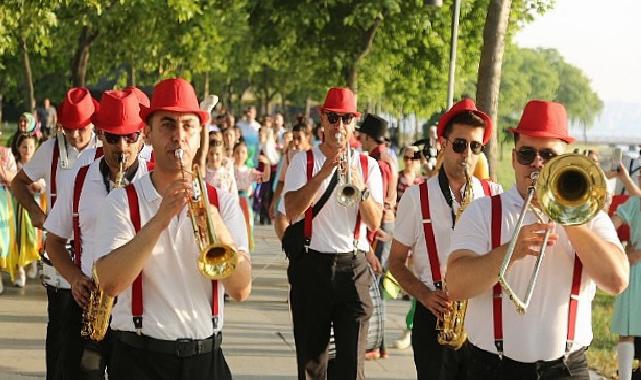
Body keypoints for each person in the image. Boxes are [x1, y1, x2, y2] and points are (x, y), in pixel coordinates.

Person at [446, 100, 629, 379]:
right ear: (513, 158)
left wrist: (569, 216)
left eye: (548, 155)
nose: (536, 163)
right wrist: (510, 251)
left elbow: (617, 281)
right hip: (492, 367)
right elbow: (456, 285)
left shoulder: (589, 216)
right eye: (526, 154)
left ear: (564, 160)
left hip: (566, 368)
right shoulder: (482, 211)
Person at [93, 78, 251, 380]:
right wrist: (160, 219)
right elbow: (110, 283)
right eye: (167, 125)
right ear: (148, 133)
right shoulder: (122, 201)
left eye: (188, 126)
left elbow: (241, 289)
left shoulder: (224, 204)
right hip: (140, 360)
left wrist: (214, 220)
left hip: (206, 360)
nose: (178, 137)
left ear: (199, 135)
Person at [388, 99, 502, 380]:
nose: (467, 155)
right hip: (436, 317)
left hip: (482, 318)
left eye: (475, 147)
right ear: (443, 143)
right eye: (459, 145)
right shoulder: (416, 197)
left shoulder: (494, 195)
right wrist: (425, 295)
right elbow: (395, 261)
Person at [43, 89, 149, 380]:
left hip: (139, 311)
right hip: (88, 305)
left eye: (130, 137)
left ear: (143, 136)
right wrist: (74, 278)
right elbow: (53, 241)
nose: (122, 147)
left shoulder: (153, 183)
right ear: (100, 135)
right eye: (113, 138)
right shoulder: (81, 178)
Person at [283, 87, 383, 379]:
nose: (339, 126)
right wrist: (325, 172)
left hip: (352, 266)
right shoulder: (304, 160)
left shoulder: (368, 165)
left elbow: (374, 222)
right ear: (323, 120)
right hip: (312, 264)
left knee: (352, 366)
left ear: (354, 122)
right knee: (311, 363)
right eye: (333, 118)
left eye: (346, 119)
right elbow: (291, 210)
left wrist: (359, 185)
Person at [11, 87, 100, 380]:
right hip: (60, 258)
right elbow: (18, 183)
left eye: (81, 129)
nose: (75, 135)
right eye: (69, 129)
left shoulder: (106, 147)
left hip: (99, 255)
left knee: (95, 345)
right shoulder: (50, 148)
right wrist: (36, 213)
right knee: (62, 334)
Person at [356, 113, 398, 360]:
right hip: (386, 222)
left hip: (379, 224)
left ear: (370, 138)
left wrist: (369, 239)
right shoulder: (388, 157)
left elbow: (374, 203)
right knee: (375, 283)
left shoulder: (376, 162)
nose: (359, 138)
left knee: (372, 283)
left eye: (362, 134)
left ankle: (375, 342)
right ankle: (377, 343)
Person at [608, 165, 641, 380]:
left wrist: (622, 250)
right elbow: (609, 229)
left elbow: (609, 228)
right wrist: (622, 251)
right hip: (635, 268)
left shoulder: (636, 202)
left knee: (628, 332)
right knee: (627, 331)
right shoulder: (635, 202)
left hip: (636, 269)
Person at [392, 145, 425, 350]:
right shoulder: (398, 179)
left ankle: (409, 327)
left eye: (414, 158)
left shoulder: (424, 182)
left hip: (419, 241)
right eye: (406, 157)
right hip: (403, 236)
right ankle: (410, 327)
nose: (409, 161)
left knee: (419, 284)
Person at [10, 133, 44, 288]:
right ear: (18, 148)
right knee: (18, 238)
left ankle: (32, 262)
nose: (27, 150)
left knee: (33, 239)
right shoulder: (15, 165)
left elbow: (43, 186)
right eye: (24, 146)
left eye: (31, 146)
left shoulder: (38, 166)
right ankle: (20, 270)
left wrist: (37, 186)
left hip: (35, 207)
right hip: (17, 208)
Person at [233, 141, 270, 252]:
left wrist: (267, 164)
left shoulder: (249, 171)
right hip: (232, 199)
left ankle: (244, 248)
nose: (240, 155)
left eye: (243, 152)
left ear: (247, 154)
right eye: (237, 152)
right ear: (233, 154)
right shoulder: (229, 168)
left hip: (244, 200)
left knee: (247, 223)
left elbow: (265, 178)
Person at [0, 145, 17, 294]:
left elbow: (15, 177)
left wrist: (4, 173)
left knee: (2, 241)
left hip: (2, 203)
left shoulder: (6, 154)